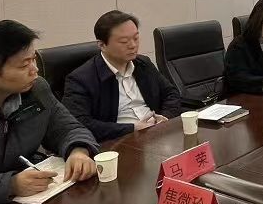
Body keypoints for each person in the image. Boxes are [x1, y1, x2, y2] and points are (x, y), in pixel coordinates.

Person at [0, 20, 98, 204]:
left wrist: (79, 151)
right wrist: (10, 185)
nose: (35, 70)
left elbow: (67, 128)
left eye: (33, 59)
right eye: (24, 65)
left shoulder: (36, 89)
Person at [63, 11, 183, 142]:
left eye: (136, 38)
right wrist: (133, 128)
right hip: (120, 141)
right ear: (102, 45)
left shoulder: (143, 64)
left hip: (158, 134)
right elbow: (80, 123)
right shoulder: (80, 79)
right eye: (124, 41)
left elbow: (171, 93)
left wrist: (164, 117)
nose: (133, 45)